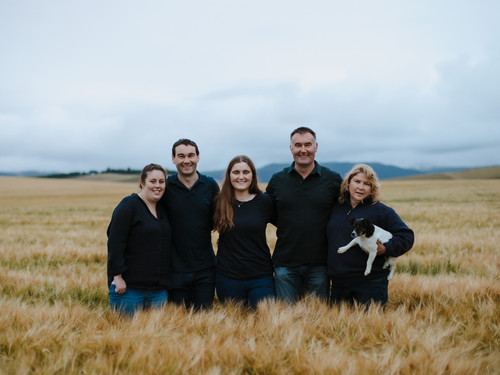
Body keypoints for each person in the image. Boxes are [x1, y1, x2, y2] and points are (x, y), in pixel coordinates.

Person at [266, 127, 342, 303]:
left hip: (320, 264)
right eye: (298, 145)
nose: (303, 150)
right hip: (285, 264)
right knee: (286, 321)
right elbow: (267, 213)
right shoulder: (278, 180)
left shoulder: (332, 179)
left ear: (316, 147)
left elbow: (344, 213)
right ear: (291, 148)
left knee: (316, 322)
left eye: (308, 144)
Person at [327, 164, 414, 307]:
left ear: (372, 189)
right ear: (348, 183)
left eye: (367, 184)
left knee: (368, 328)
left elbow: (406, 236)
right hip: (339, 285)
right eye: (357, 181)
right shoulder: (336, 208)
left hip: (370, 284)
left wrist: (386, 248)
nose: (361, 187)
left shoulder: (381, 211)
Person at [160, 139, 220, 310]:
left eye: (191, 155)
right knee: (177, 324)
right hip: (174, 270)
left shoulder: (210, 186)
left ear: (198, 157)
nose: (186, 160)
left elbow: (220, 220)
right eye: (181, 156)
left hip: (206, 269)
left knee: (204, 320)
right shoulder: (166, 186)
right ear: (173, 159)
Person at [107, 163, 172, 317]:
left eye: (161, 182)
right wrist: (117, 277)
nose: (157, 186)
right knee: (126, 337)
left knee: (156, 337)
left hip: (158, 291)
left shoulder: (163, 209)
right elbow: (115, 242)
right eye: (153, 181)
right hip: (129, 289)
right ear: (142, 183)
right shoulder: (129, 206)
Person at [213, 155, 275, 310]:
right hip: (228, 277)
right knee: (233, 325)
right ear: (229, 176)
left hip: (260, 275)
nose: (241, 177)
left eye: (246, 172)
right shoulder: (218, 202)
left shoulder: (265, 202)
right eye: (236, 172)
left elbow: (288, 228)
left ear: (252, 175)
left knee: (264, 322)